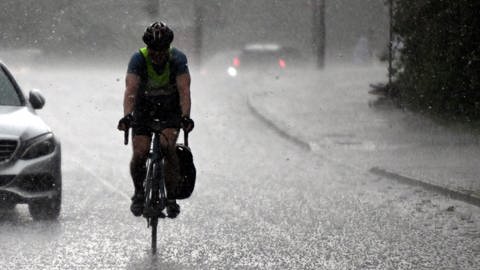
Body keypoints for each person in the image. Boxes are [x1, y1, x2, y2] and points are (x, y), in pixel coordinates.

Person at [117, 22, 194, 218]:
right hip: (144, 110)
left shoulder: (177, 59)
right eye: (153, 50)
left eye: (162, 50)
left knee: (167, 147)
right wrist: (127, 115)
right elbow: (130, 91)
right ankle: (139, 193)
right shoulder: (138, 59)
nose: (157, 55)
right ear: (147, 48)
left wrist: (185, 117)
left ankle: (171, 197)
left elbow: (184, 91)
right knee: (140, 153)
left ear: (168, 48)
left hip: (170, 110)